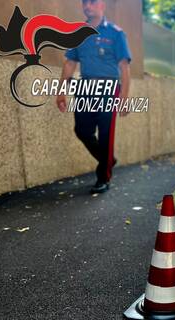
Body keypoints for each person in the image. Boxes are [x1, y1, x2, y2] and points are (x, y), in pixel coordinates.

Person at [56, 0, 132, 194]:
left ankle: (103, 177)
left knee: (106, 135)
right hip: (85, 87)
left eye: (92, 2)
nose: (88, 6)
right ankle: (108, 159)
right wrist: (60, 91)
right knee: (82, 130)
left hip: (108, 88)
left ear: (102, 5)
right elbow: (70, 63)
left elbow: (124, 67)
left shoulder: (116, 33)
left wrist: (124, 97)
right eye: (85, 3)